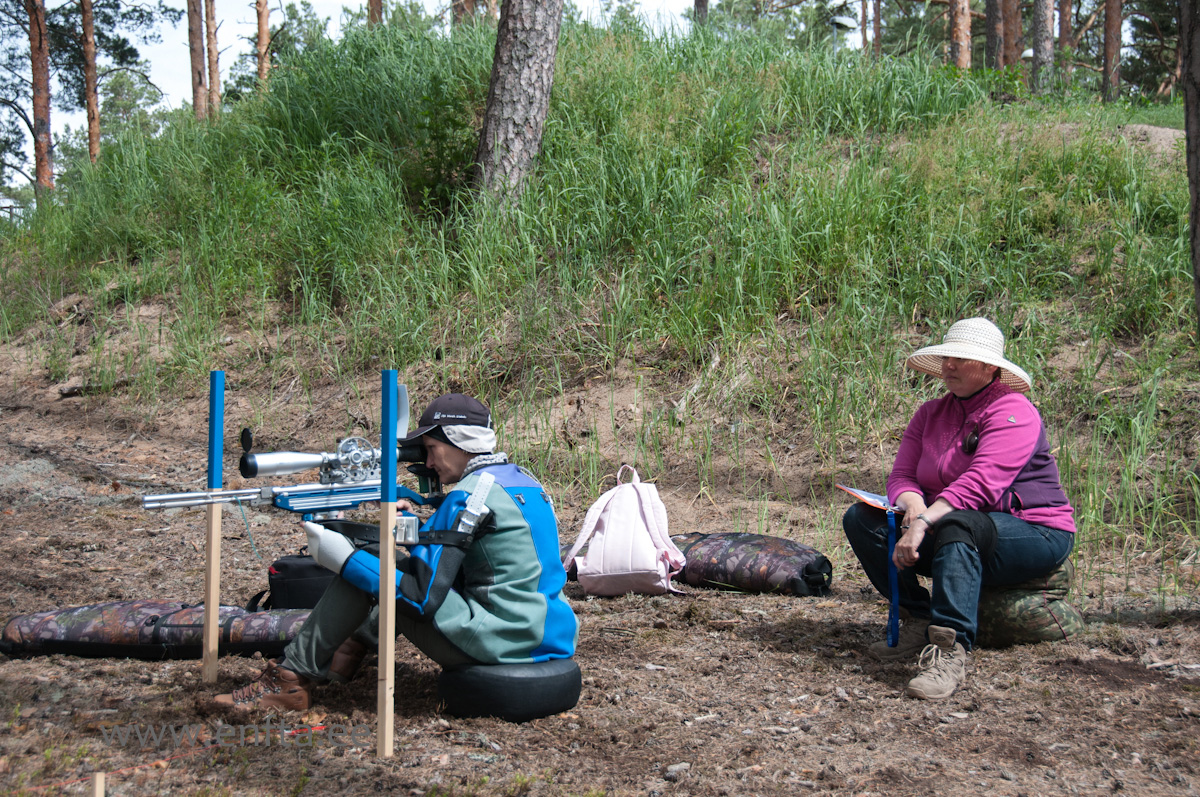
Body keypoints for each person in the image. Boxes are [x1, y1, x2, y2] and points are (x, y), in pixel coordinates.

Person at [216, 393, 579, 711]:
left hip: (502, 642)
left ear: (458, 440)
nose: (430, 462)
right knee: (386, 565)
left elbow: (422, 598)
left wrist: (343, 559)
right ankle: (345, 654)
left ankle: (288, 680)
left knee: (370, 569)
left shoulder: (469, 496)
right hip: (548, 634)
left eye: (432, 450)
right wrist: (418, 530)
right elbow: (483, 559)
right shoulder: (524, 482)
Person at [843, 318, 1075, 700]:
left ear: (989, 368)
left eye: (961, 359)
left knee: (957, 525)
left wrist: (923, 523)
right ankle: (918, 617)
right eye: (947, 356)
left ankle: (950, 650)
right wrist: (915, 510)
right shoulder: (930, 413)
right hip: (954, 520)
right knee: (863, 520)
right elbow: (901, 476)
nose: (949, 365)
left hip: (1034, 530)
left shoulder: (1014, 411)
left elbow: (982, 482)